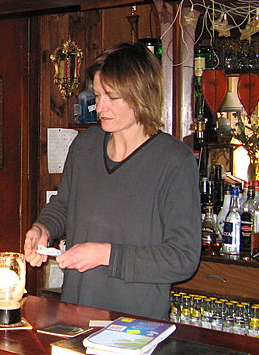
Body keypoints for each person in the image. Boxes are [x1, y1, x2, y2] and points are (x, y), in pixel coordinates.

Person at [24, 44, 200, 320]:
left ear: (141, 96)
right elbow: (64, 206)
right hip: (76, 313)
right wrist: (42, 228)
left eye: (112, 97)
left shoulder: (174, 161)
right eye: (97, 95)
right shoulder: (85, 146)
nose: (99, 107)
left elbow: (182, 259)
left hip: (136, 325)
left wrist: (106, 255)